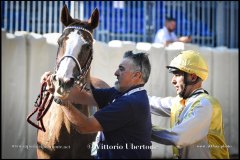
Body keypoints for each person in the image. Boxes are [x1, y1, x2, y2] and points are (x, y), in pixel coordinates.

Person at [41, 51, 152, 159]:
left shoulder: (130, 102)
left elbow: (85, 126)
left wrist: (62, 101)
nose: (116, 73)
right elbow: (83, 96)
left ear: (136, 75)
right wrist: (56, 81)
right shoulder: (121, 93)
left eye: (121, 69)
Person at [148, 50, 230, 159]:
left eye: (177, 75)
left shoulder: (205, 104)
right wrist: (126, 96)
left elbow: (179, 137)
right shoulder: (181, 101)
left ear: (193, 77)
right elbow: (154, 103)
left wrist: (143, 128)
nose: (173, 81)